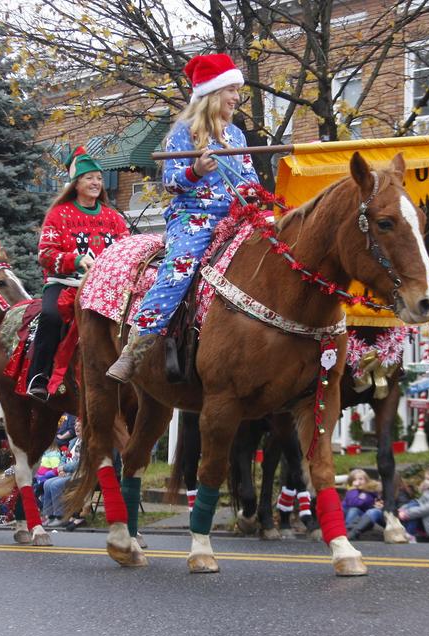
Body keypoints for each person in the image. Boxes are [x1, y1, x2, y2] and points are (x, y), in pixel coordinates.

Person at [106, 53, 260, 382]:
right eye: (230, 90)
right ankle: (135, 349)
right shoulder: (184, 132)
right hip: (194, 218)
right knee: (178, 270)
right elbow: (171, 182)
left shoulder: (237, 137)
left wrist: (254, 197)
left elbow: (249, 180)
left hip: (235, 217)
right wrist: (195, 170)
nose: (236, 97)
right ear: (211, 94)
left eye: (237, 91)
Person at [27, 146, 128, 399]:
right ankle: (39, 375)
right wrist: (76, 259)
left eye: (99, 178)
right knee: (50, 316)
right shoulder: (58, 215)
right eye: (89, 178)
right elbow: (45, 255)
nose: (96, 183)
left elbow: (126, 250)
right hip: (65, 283)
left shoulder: (113, 217)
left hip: (105, 287)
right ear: (76, 183)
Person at [342, 469, 383, 540]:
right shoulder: (351, 491)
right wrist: (354, 490)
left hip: (363, 517)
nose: (358, 482)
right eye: (354, 480)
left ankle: (349, 532)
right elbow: (352, 503)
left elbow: (358, 503)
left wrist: (361, 496)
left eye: (361, 479)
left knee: (354, 509)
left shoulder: (369, 492)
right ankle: (347, 530)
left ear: (366, 480)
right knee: (353, 509)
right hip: (346, 515)